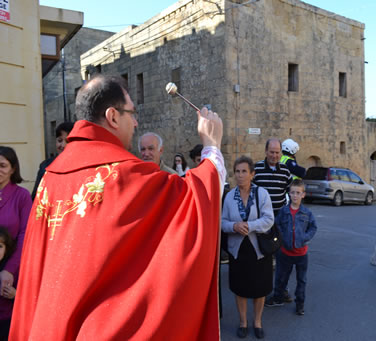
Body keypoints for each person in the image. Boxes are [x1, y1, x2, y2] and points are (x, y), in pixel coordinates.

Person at [10, 75, 226, 340]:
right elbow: (194, 200)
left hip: (49, 325)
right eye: (131, 113)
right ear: (113, 117)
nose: (135, 122)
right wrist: (212, 147)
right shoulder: (125, 174)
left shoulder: (51, 175)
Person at [222, 156, 274, 339]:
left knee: (260, 289)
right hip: (238, 250)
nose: (240, 175)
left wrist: (249, 226)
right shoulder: (229, 196)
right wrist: (234, 226)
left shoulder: (262, 194)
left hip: (259, 250)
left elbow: (269, 220)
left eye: (244, 171)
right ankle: (243, 322)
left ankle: (257, 322)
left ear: (252, 174)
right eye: (237, 171)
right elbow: (222, 222)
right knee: (240, 288)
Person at [265, 179, 317, 315]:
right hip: (285, 252)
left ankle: (300, 303)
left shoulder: (307, 213)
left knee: (302, 280)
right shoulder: (283, 211)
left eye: (298, 193)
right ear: (289, 194)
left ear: (303, 194)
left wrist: (305, 237)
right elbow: (278, 225)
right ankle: (278, 297)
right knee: (281, 277)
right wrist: (282, 239)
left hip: (301, 254)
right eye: (293, 192)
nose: (295, 195)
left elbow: (313, 227)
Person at [254, 138, 293, 303]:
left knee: (282, 257)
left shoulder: (285, 171)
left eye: (277, 152)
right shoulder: (255, 169)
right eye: (272, 152)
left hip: (279, 221)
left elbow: (291, 192)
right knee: (262, 257)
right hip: (261, 220)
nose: (274, 155)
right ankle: (259, 290)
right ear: (265, 151)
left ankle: (280, 291)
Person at [0, 147, 32, 339]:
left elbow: (25, 234)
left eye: (3, 165)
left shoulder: (22, 196)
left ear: (13, 169)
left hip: (13, 268)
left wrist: (9, 270)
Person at [31, 121, 74, 199]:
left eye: (68, 141)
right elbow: (36, 197)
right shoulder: (45, 166)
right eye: (60, 140)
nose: (63, 145)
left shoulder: (84, 165)